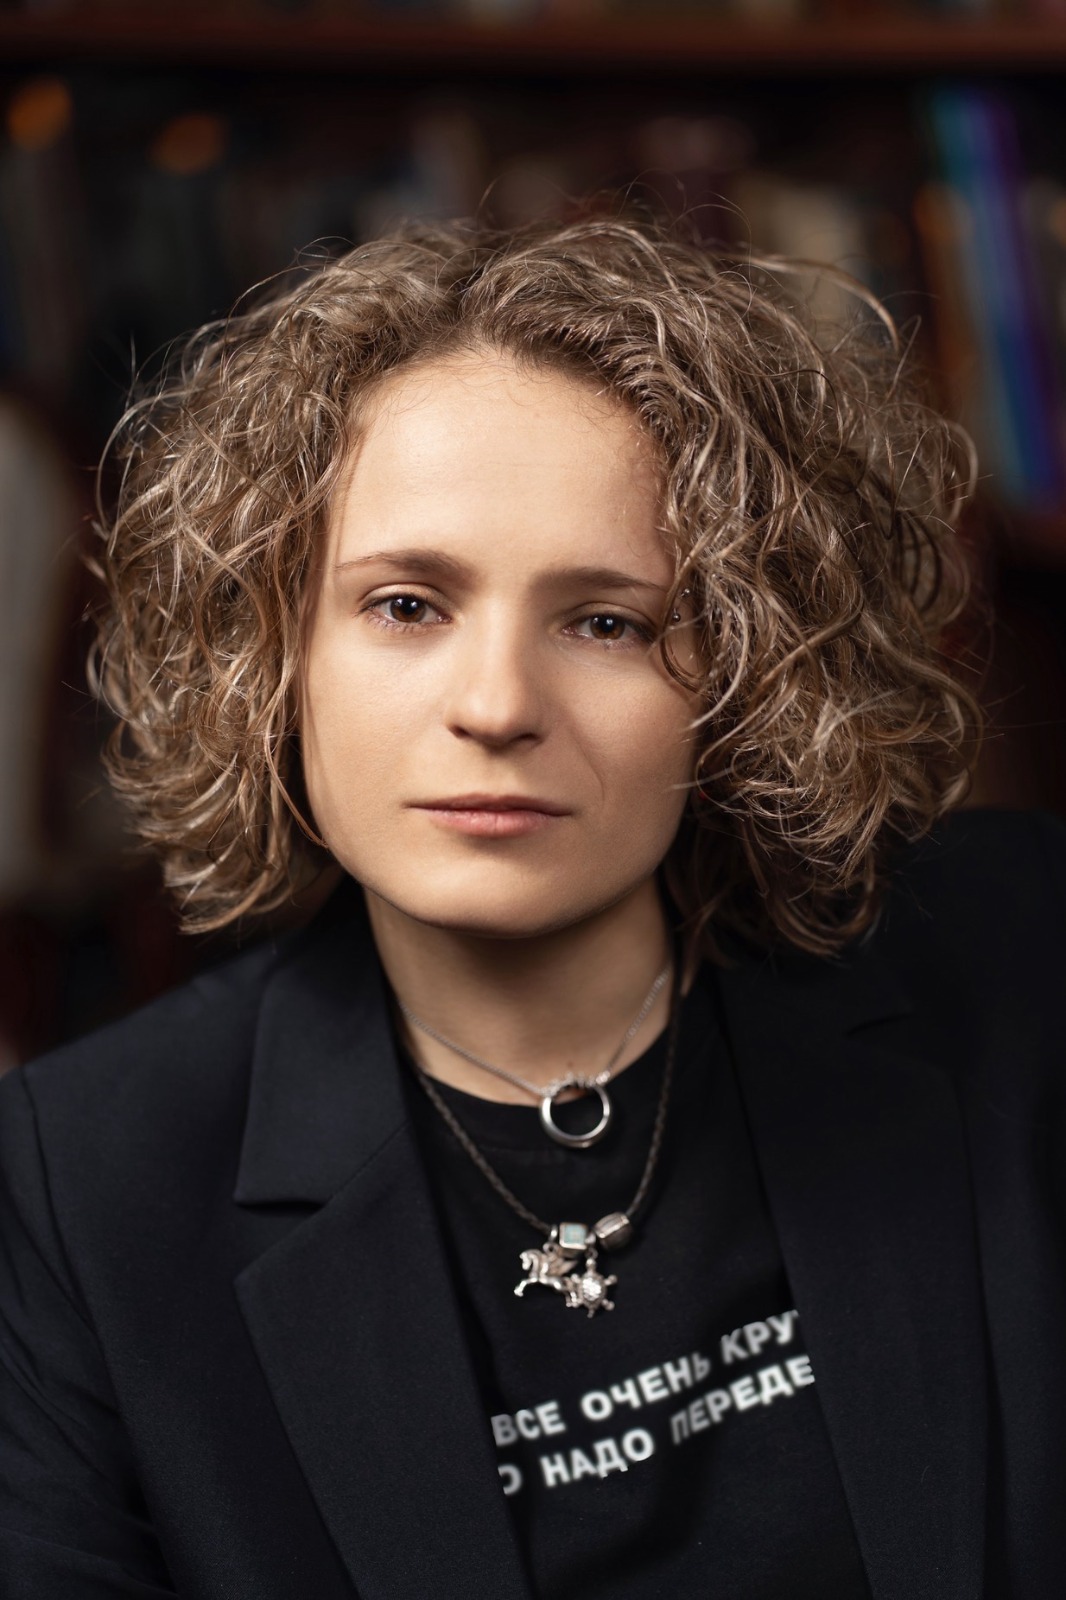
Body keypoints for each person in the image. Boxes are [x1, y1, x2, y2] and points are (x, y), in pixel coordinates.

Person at [0, 214, 1063, 1600]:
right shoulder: (79, 1185)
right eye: (405, 605)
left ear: (748, 675)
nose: (497, 706)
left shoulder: (1021, 957)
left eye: (606, 622)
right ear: (270, 652)